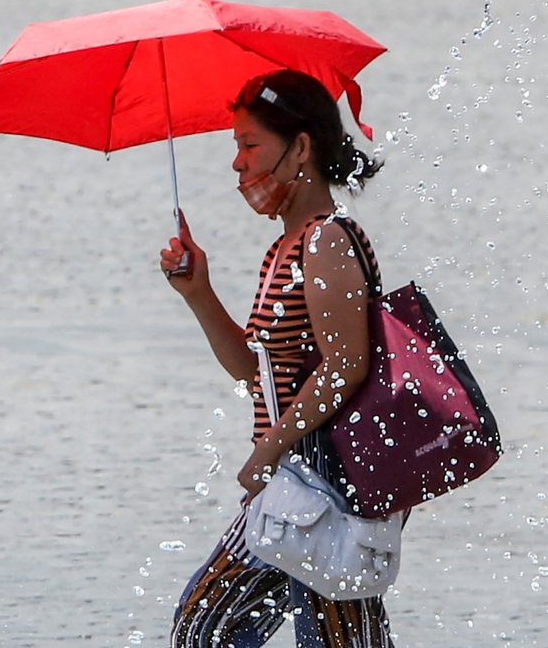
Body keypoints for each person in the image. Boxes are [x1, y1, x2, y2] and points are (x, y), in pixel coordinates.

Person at [159, 69, 394, 648]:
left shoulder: (327, 240)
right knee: (206, 628)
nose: (238, 165)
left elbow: (347, 365)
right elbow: (254, 372)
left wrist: (269, 449)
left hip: (326, 485)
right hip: (291, 485)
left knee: (214, 630)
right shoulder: (285, 249)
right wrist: (199, 292)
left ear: (302, 149)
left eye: (249, 145)